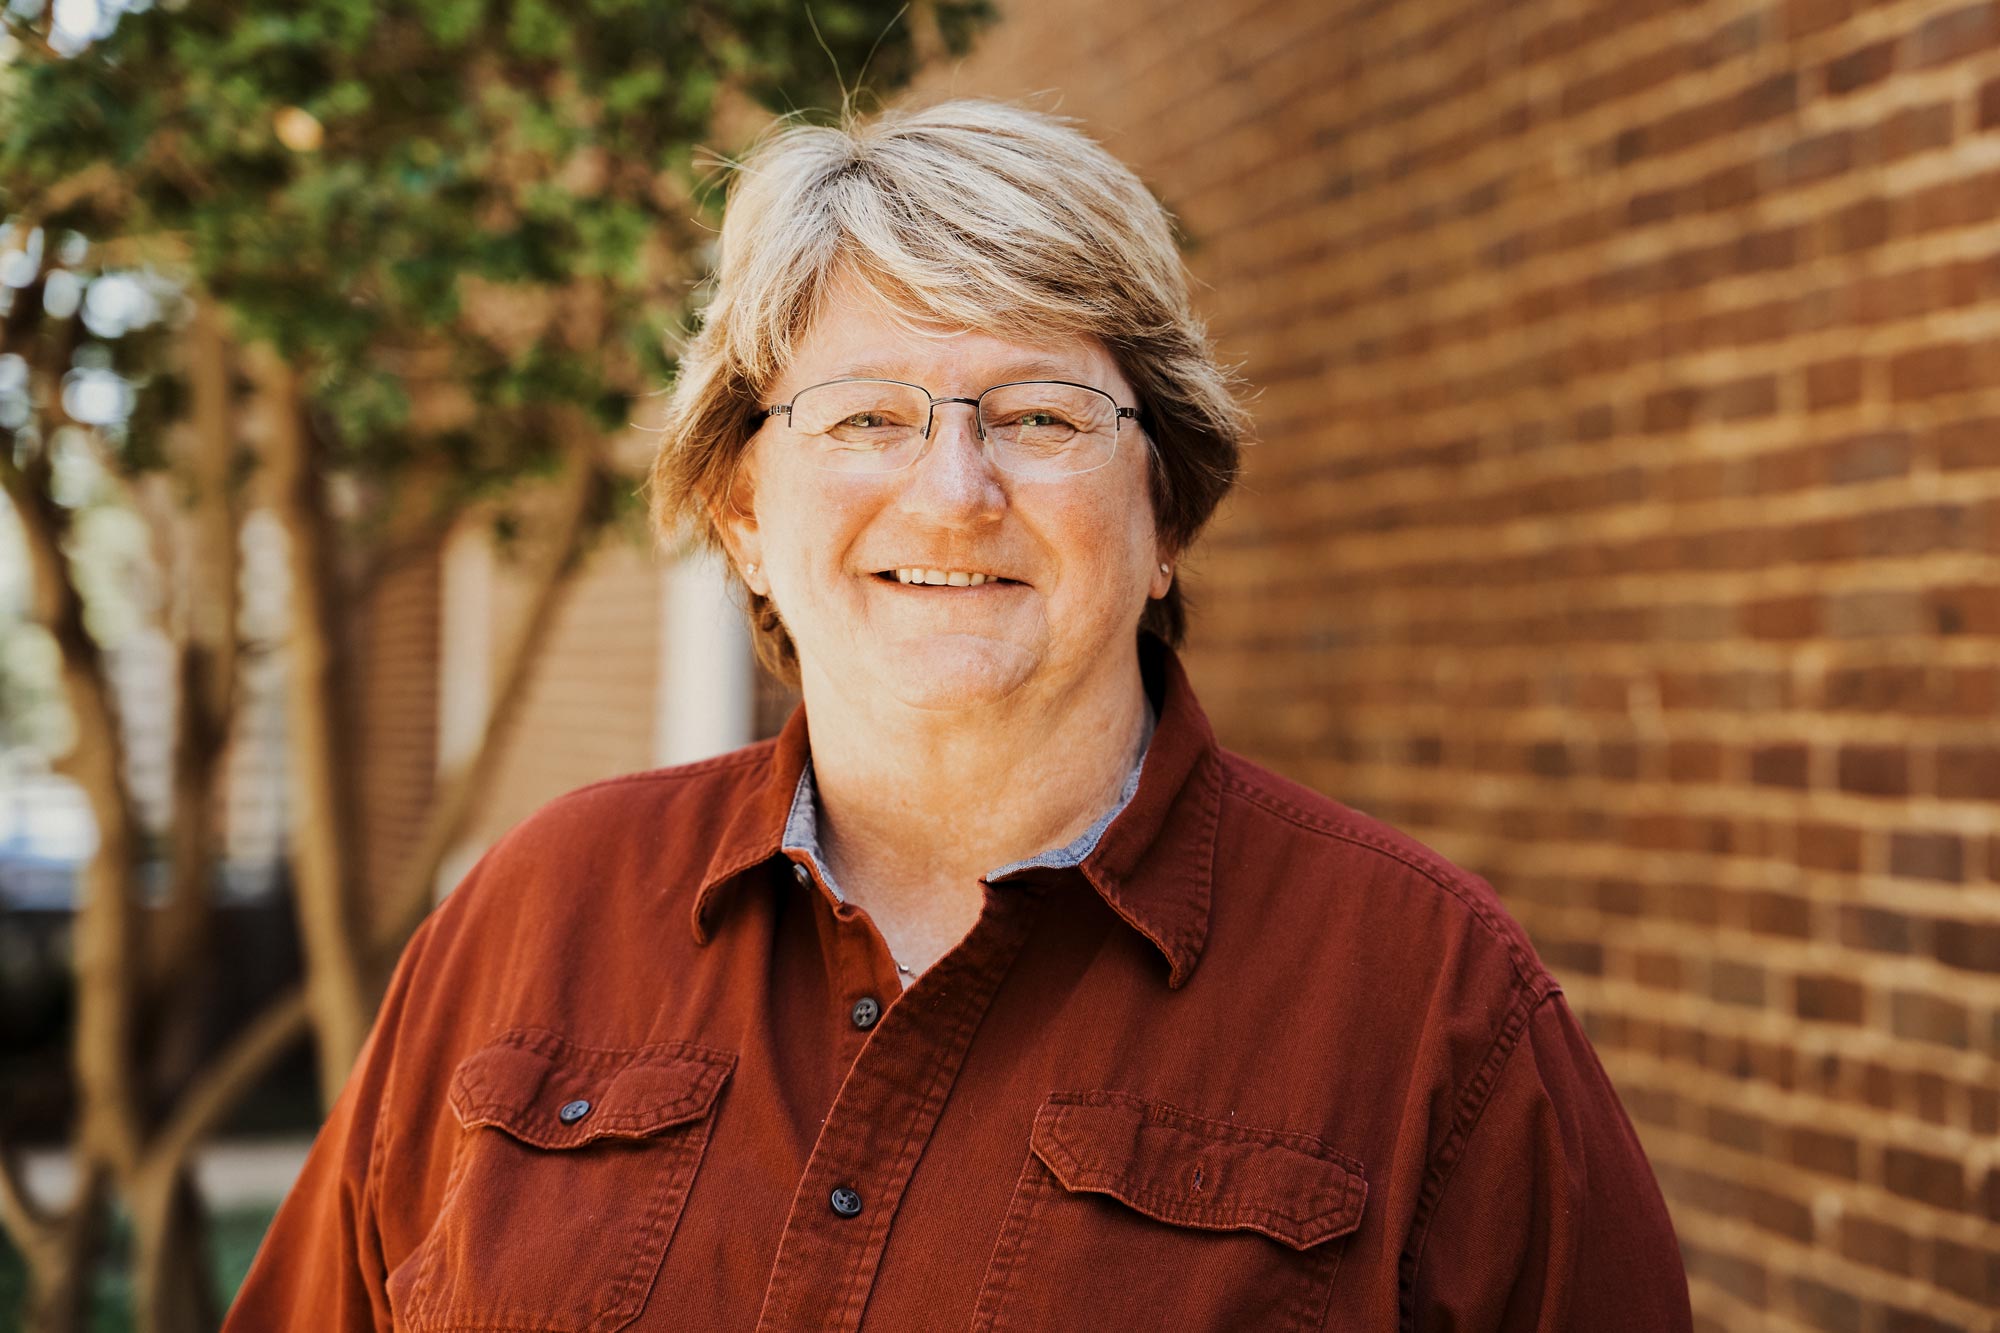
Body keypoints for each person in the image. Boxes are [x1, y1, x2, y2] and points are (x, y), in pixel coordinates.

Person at [225, 98, 1692, 1332]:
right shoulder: (534, 916)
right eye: (866, 415)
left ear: (1164, 509)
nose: (953, 492)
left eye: (1042, 415)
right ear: (741, 510)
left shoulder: (1434, 1005)